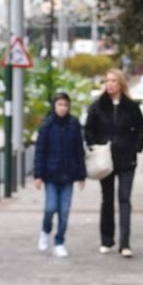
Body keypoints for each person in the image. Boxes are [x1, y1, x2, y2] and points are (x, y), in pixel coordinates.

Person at [84, 70, 143, 257]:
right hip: (105, 159)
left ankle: (125, 243)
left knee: (125, 199)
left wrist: (136, 147)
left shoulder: (131, 107)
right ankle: (106, 239)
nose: (109, 84)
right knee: (107, 200)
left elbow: (140, 129)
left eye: (113, 81)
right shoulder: (97, 106)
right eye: (107, 81)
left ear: (121, 84)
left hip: (127, 158)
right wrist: (95, 146)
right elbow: (89, 130)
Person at [32, 90, 86, 257]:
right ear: (54, 106)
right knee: (50, 208)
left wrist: (81, 175)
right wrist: (38, 175)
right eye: (59, 104)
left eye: (65, 105)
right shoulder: (47, 125)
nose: (62, 108)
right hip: (51, 174)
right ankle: (45, 230)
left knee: (64, 211)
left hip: (68, 175)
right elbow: (40, 151)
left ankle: (59, 241)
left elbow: (79, 150)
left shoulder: (74, 124)